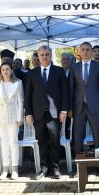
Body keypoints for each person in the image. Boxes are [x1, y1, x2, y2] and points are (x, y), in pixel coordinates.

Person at [25, 46, 69, 179]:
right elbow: (28, 95)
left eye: (47, 54)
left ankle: (55, 168)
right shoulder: (32, 73)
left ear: (51, 56)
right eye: (42, 55)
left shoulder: (59, 71)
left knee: (55, 142)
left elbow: (65, 93)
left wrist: (64, 110)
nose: (44, 57)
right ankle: (44, 168)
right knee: (42, 142)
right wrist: (28, 113)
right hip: (38, 114)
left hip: (55, 114)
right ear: (38, 57)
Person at [69, 42, 99, 177]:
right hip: (78, 107)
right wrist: (69, 108)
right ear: (78, 52)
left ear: (92, 52)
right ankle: (80, 167)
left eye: (88, 50)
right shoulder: (74, 67)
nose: (85, 52)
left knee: (98, 137)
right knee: (78, 137)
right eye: (83, 50)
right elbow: (71, 89)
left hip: (95, 106)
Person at [0, 62, 24, 180]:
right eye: (3, 69)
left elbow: (21, 101)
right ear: (0, 71)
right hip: (1, 117)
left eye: (7, 69)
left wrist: (20, 118)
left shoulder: (18, 83)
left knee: (13, 143)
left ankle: (14, 168)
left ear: (11, 70)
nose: (5, 71)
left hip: (14, 117)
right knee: (4, 143)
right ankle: (5, 169)